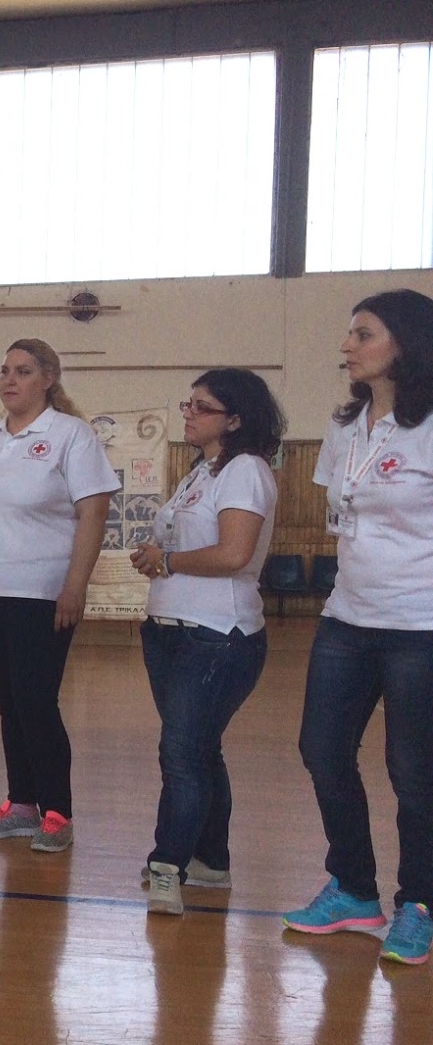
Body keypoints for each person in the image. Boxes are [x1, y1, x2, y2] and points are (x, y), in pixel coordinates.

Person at [284, 288, 433, 966]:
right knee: (322, 750)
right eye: (350, 333)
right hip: (347, 617)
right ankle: (352, 888)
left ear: (405, 342)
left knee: (414, 773)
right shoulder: (345, 426)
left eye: (363, 334)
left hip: (420, 625)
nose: (347, 345)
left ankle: (419, 903)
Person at [0, 339, 118, 853]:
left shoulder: (70, 435)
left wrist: (75, 585)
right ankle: (21, 805)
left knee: (35, 702)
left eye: (22, 371)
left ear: (48, 379)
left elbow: (94, 512)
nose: (9, 380)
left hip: (39, 593)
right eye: (4, 371)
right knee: (8, 703)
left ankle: (57, 811)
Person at [129, 369, 284, 915]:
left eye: (203, 406)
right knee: (198, 749)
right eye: (188, 404)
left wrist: (167, 560)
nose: (189, 414)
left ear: (235, 419)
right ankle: (211, 862)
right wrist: (155, 554)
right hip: (171, 630)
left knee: (181, 753)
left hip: (217, 635)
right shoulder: (202, 470)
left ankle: (167, 865)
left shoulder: (245, 471)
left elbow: (233, 554)